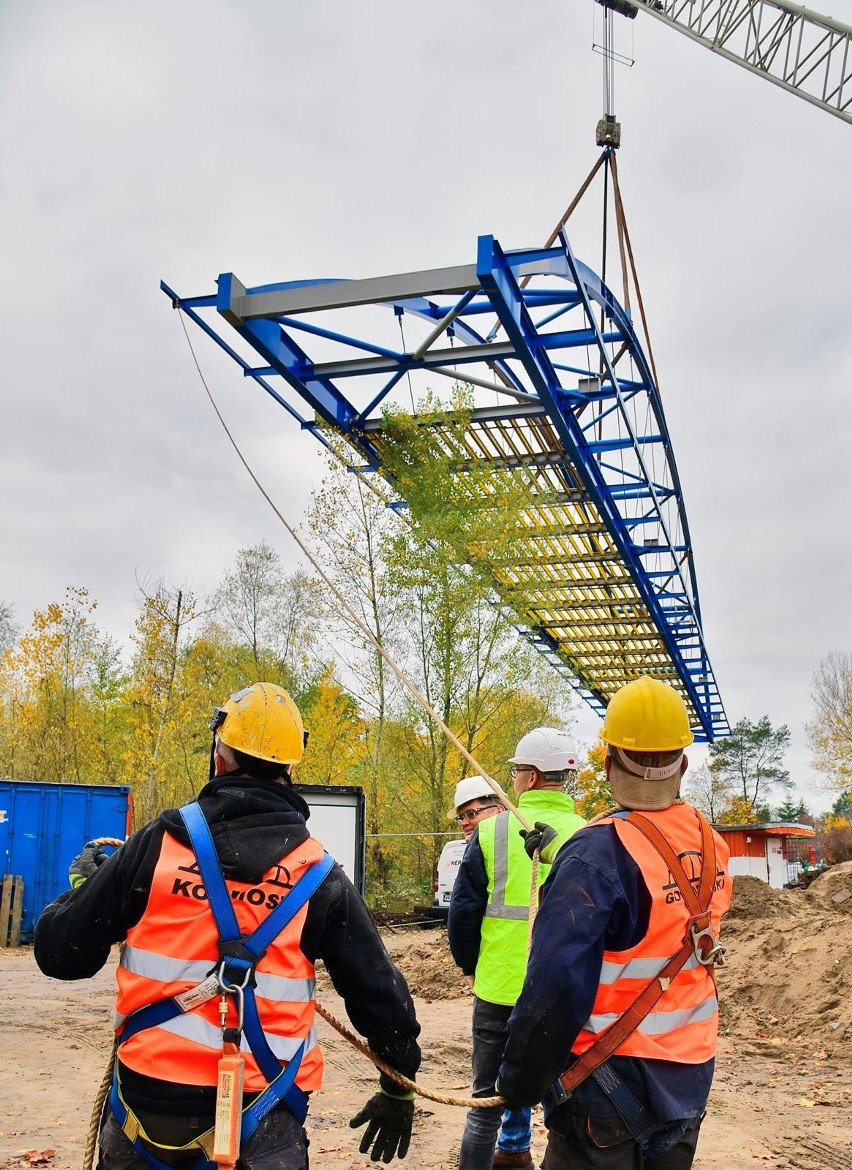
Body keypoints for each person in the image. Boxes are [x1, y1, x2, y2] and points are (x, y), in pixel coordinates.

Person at [34, 682, 421, 1170]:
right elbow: (381, 997)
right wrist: (398, 1087)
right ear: (290, 769)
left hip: (145, 1117)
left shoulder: (158, 846)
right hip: (263, 1123)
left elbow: (60, 955)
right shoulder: (318, 875)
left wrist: (80, 889)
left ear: (220, 756)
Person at [497, 677, 733, 1170]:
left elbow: (554, 990)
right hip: (689, 1078)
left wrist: (519, 1082)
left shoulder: (595, 852)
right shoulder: (714, 846)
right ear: (683, 764)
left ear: (607, 763)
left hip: (604, 1087)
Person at [448, 730, 587, 1170]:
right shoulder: (592, 834)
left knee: (485, 1102)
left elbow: (464, 916)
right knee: (567, 1102)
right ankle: (523, 1154)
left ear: (528, 776)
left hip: (499, 985)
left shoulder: (490, 832)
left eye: (515, 771)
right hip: (564, 995)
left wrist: (472, 967)